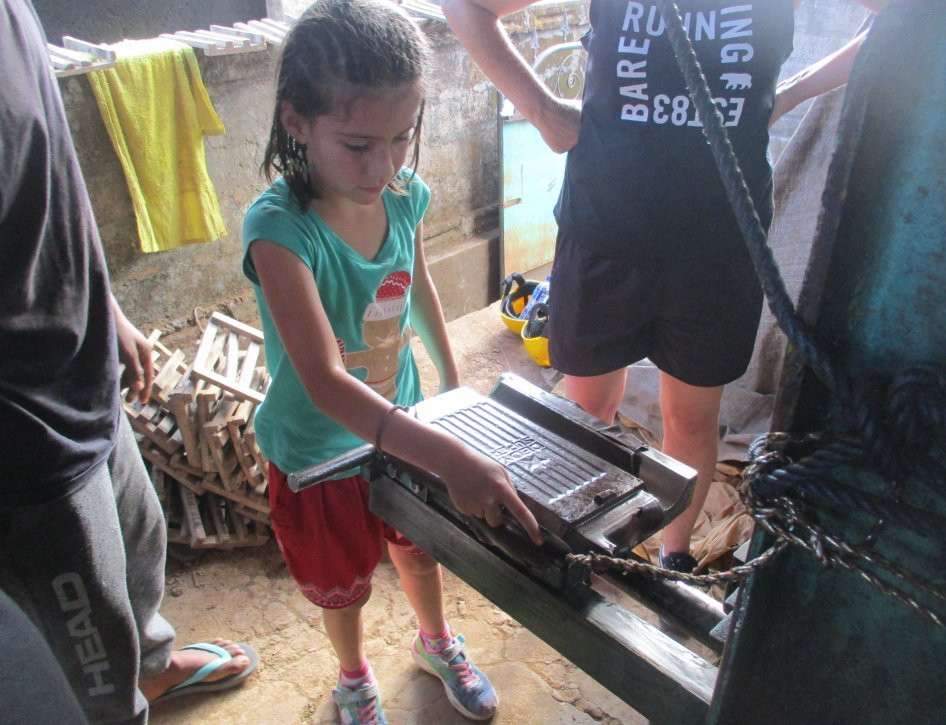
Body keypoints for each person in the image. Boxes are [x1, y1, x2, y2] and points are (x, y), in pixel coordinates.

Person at [442, 0, 884, 572]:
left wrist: (795, 91)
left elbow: (914, 16)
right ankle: (579, 545)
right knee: (587, 408)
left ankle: (673, 562)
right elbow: (465, 5)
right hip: (606, 231)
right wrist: (543, 112)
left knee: (692, 419)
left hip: (719, 242)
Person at [241, 1, 542, 722]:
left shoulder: (403, 194)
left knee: (420, 542)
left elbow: (418, 281)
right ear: (296, 122)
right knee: (342, 577)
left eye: (402, 137)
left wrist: (452, 380)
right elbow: (322, 382)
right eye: (357, 144)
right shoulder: (279, 231)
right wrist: (448, 454)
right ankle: (352, 674)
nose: (384, 166)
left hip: (402, 417)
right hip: (318, 446)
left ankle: (435, 639)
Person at [0, 1, 258, 721]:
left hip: (81, 362)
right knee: (88, 655)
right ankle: (122, 702)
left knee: (138, 537)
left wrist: (105, 307)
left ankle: (152, 664)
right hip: (25, 432)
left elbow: (47, 164)